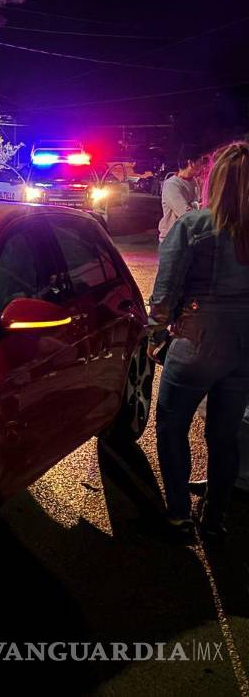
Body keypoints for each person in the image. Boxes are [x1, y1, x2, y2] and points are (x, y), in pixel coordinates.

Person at [150, 142, 249, 540]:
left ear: (216, 180)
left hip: (198, 339)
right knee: (224, 434)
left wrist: (158, 328)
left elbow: (164, 293)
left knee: (172, 426)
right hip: (245, 345)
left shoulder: (194, 226)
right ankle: (215, 516)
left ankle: (178, 514)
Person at [159, 153, 201, 243]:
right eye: (200, 161)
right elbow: (185, 213)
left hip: (188, 239)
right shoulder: (172, 184)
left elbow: (199, 203)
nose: (202, 165)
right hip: (173, 241)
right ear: (191, 163)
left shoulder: (194, 181)